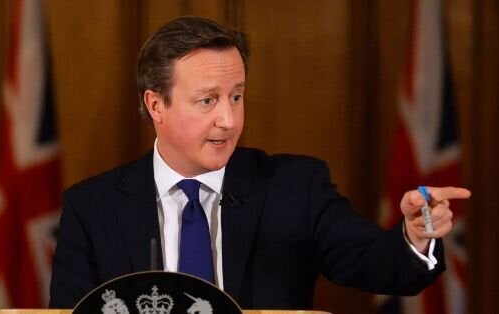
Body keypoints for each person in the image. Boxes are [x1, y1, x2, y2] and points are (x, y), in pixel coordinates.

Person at [49, 16, 471, 310]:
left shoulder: (295, 187)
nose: (229, 120)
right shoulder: (92, 208)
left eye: (236, 96)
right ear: (156, 104)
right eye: (208, 100)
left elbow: (381, 266)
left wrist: (416, 236)